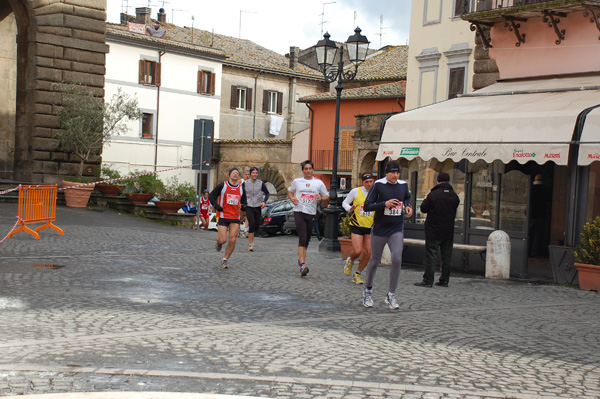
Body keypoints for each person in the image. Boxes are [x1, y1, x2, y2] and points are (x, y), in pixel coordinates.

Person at [362, 160, 412, 309]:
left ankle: (391, 294)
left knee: (397, 259)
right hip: (380, 229)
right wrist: (384, 204)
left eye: (397, 172)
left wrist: (408, 207)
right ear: (387, 173)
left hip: (396, 228)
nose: (395, 175)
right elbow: (367, 205)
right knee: (374, 260)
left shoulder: (403, 185)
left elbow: (407, 198)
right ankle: (368, 291)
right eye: (393, 173)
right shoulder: (378, 185)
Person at [414, 172, 460, 288]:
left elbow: (423, 209)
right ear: (448, 181)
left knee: (431, 255)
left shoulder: (433, 195)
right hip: (448, 230)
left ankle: (428, 280)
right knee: (446, 257)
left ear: (438, 181)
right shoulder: (454, 195)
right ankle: (444, 280)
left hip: (433, 230)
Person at [288, 160, 330, 276]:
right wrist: (292, 199)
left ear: (313, 170)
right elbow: (290, 191)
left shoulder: (318, 183)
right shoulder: (297, 181)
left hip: (311, 213)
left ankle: (301, 258)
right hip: (299, 211)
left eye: (310, 169)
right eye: (305, 169)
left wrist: (321, 198)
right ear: (303, 170)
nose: (308, 171)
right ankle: (303, 265)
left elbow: (327, 196)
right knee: (302, 237)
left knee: (306, 239)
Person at [209, 167, 247, 269]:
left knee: (233, 240)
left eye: (237, 173)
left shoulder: (241, 188)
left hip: (235, 216)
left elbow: (245, 201)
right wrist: (216, 206)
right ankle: (218, 242)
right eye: (233, 173)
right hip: (223, 215)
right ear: (230, 175)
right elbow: (211, 196)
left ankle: (225, 260)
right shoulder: (223, 186)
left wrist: (244, 206)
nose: (235, 174)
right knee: (223, 240)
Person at [342, 172, 375, 285]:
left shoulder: (377, 193)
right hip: (356, 224)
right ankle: (350, 260)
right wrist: (349, 209)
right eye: (366, 182)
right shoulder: (356, 191)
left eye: (371, 181)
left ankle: (357, 274)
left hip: (370, 226)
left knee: (368, 252)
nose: (369, 184)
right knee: (357, 251)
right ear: (363, 182)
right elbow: (344, 202)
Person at [243, 166, 270, 251]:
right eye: (253, 173)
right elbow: (240, 193)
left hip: (258, 206)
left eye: (256, 173)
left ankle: (253, 234)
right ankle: (251, 245)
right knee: (251, 223)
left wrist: (264, 201)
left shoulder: (260, 183)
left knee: (257, 225)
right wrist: (243, 202)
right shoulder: (246, 183)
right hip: (249, 206)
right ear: (250, 174)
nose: (255, 174)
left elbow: (267, 193)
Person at [528, 173, 551, 257]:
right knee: (538, 235)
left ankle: (526, 251)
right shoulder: (545, 189)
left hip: (530, 215)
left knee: (528, 234)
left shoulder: (531, 189)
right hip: (541, 215)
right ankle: (535, 252)